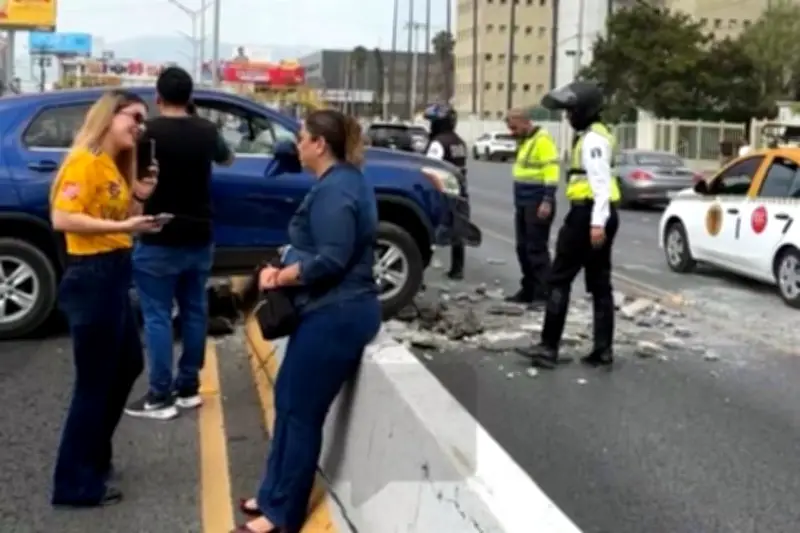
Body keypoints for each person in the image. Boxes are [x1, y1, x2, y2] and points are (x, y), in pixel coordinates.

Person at [234, 109, 381, 533]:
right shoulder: (340, 183)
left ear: (320, 144)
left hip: (336, 313)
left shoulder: (337, 190)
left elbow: (331, 259)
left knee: (300, 413)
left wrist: (280, 276)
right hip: (327, 310)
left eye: (302, 138)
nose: (296, 145)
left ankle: (281, 514)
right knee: (289, 402)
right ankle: (270, 495)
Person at [49, 90, 165, 506]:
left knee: (128, 364)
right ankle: (74, 484)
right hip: (93, 274)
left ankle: (94, 457)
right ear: (108, 116)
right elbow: (62, 217)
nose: (140, 125)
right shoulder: (84, 161)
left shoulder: (111, 167)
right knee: (94, 384)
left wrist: (139, 200)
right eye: (133, 116)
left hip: (114, 270)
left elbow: (114, 220)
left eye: (143, 120)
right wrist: (131, 226)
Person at [125, 66, 234, 421]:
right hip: (199, 235)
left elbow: (134, 176)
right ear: (190, 98)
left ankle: (160, 394)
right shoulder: (207, 131)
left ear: (157, 98)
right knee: (194, 311)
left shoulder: (147, 133)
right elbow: (228, 158)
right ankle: (188, 388)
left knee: (157, 316)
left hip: (158, 233)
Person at [517, 81, 620, 369]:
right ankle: (602, 350)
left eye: (572, 111)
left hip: (588, 215)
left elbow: (600, 184)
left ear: (585, 110)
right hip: (599, 215)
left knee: (559, 279)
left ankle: (549, 347)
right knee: (600, 283)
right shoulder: (596, 134)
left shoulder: (592, 141)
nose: (568, 116)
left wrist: (596, 224)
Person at [504, 108, 560, 307]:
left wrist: (548, 199)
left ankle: (544, 293)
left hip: (537, 201)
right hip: (523, 201)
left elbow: (551, 170)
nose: (512, 132)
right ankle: (528, 289)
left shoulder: (542, 140)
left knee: (536, 249)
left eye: (514, 127)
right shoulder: (526, 141)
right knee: (522, 248)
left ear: (525, 122)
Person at [423, 103, 468, 279]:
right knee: (459, 230)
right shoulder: (460, 142)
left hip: (442, 191)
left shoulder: (438, 143)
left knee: (432, 229)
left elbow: (429, 166)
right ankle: (458, 269)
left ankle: (422, 269)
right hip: (460, 190)